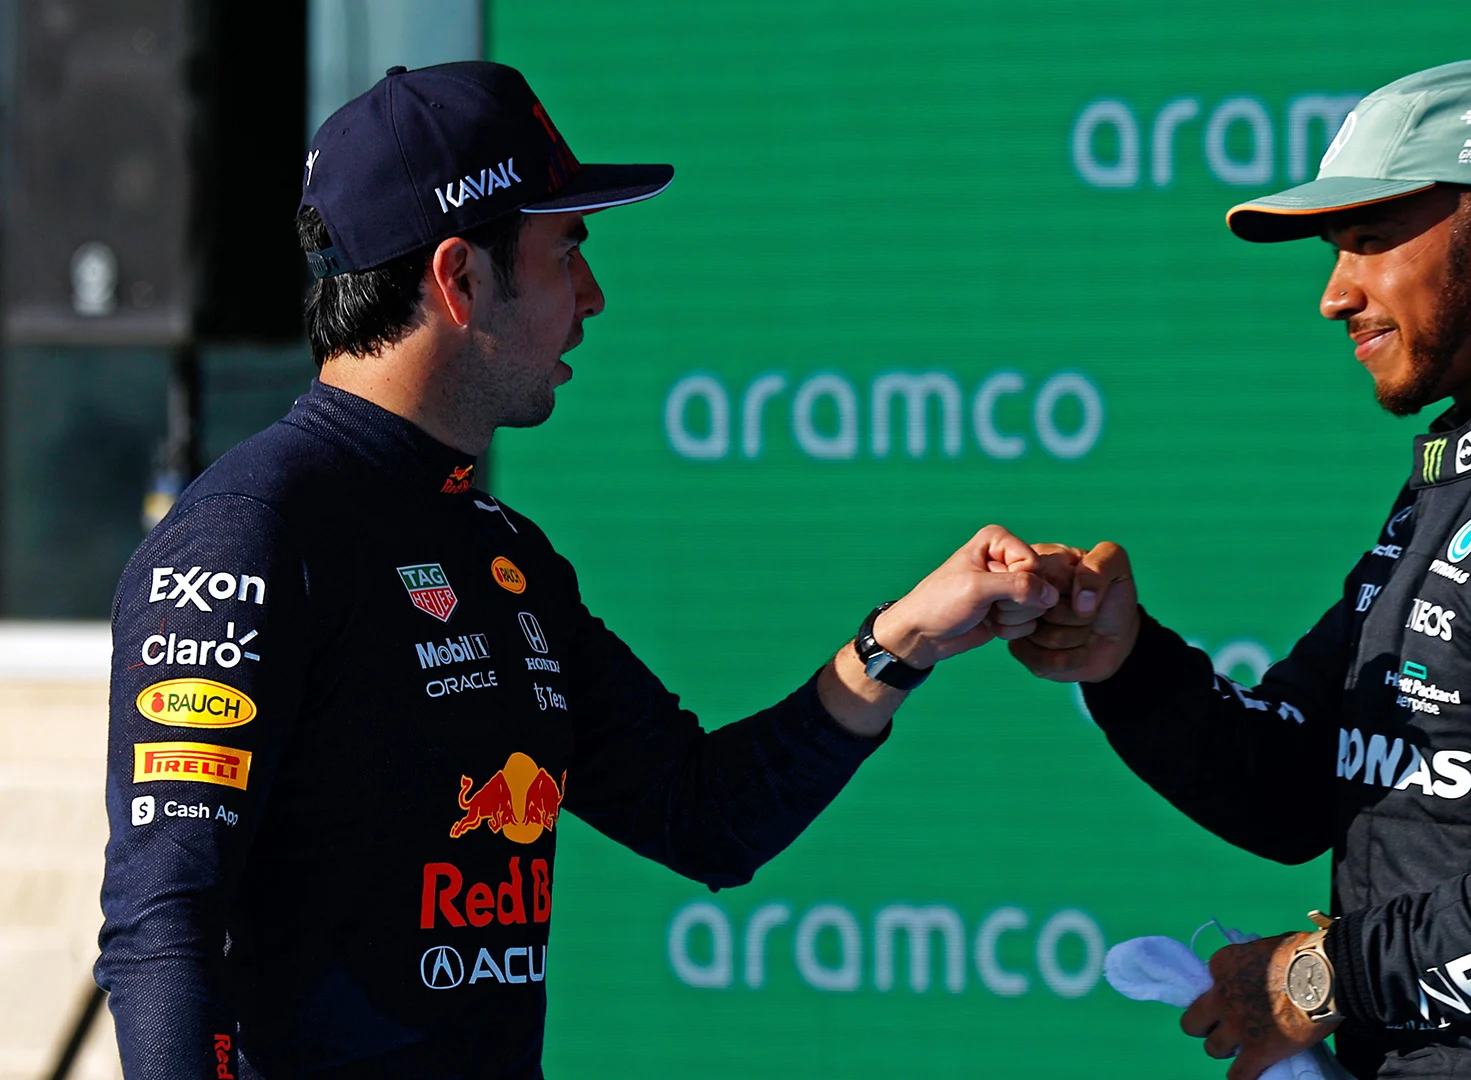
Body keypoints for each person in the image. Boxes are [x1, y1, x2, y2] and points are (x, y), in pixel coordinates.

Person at [96, 61, 1056, 1079]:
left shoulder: (502, 554)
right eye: (567, 253)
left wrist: (901, 642)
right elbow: (164, 926)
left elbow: (706, 816)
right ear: (461, 280)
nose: (593, 298)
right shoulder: (251, 532)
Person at [1013, 59, 1471, 1080]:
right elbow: (1298, 787)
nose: (1334, 294)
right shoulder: (1470, 466)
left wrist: (1320, 977)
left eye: (1369, 242)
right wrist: (1128, 666)